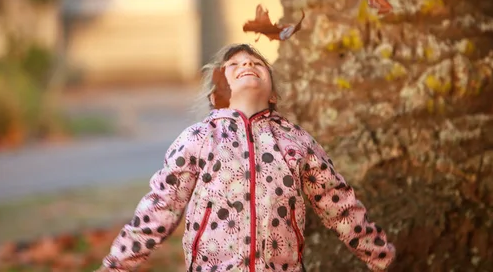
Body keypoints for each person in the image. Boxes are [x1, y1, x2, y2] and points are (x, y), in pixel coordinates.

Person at [96, 43, 396, 272]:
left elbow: (338, 202)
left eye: (256, 63)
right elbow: (161, 205)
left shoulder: (296, 141)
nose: (247, 64)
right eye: (234, 64)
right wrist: (117, 265)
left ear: (273, 94)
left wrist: (378, 254)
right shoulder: (199, 139)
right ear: (218, 92)